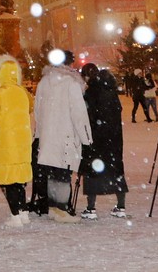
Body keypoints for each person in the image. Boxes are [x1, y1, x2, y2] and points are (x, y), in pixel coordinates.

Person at [33, 50, 91, 223]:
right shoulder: (71, 84)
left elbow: (38, 110)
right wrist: (86, 139)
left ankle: (52, 207)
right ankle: (62, 209)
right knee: (64, 174)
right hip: (65, 134)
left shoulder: (44, 82)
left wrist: (38, 134)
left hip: (48, 135)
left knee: (52, 172)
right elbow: (79, 114)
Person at [0, 54, 32, 228]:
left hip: (7, 142)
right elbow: (29, 109)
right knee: (19, 179)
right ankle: (24, 212)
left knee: (9, 180)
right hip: (22, 142)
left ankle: (15, 216)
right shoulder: (22, 92)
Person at [79, 65, 128, 220]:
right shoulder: (111, 91)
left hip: (96, 138)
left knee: (93, 171)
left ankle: (91, 207)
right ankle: (121, 206)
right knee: (116, 170)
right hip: (113, 137)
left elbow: (88, 115)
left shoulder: (91, 93)